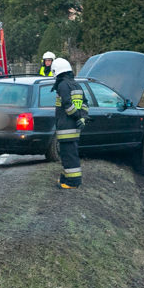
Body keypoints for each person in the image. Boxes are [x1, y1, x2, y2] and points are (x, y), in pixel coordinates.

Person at [51, 57, 88, 189]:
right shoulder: (76, 85)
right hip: (74, 128)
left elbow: (67, 105)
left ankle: (73, 182)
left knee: (69, 156)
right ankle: (65, 178)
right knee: (69, 154)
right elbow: (85, 103)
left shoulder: (63, 85)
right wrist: (82, 118)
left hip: (66, 127)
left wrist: (77, 116)